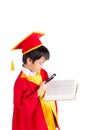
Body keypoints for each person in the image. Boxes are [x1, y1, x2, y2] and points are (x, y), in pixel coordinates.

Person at [11, 32, 60, 130]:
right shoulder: (21, 82)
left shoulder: (42, 72)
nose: (42, 66)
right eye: (40, 63)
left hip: (46, 117)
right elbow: (21, 108)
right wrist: (38, 92)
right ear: (29, 61)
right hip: (33, 123)